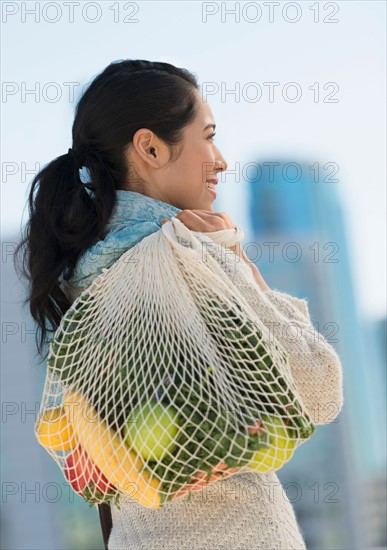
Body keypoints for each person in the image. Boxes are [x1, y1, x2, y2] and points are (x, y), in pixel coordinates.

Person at [14, 59, 343, 550]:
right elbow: (320, 390)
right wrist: (241, 263)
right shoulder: (187, 253)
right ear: (149, 147)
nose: (221, 159)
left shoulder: (84, 276)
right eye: (208, 136)